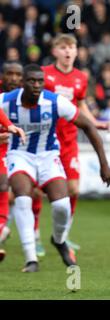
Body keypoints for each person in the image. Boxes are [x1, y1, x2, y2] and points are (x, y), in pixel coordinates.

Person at [0, 64, 110, 272]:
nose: (36, 85)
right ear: (22, 82)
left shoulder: (54, 102)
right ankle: (31, 258)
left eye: (40, 81)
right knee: (23, 199)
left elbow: (87, 125)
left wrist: (104, 164)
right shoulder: (6, 101)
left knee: (62, 205)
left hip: (48, 156)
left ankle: (59, 240)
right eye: (31, 81)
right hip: (19, 155)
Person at [34, 33, 110, 256]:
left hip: (69, 139)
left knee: (74, 188)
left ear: (77, 52)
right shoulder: (44, 74)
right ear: (55, 51)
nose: (68, 51)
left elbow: (80, 104)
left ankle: (63, 235)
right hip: (45, 138)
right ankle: (36, 234)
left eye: (71, 47)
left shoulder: (81, 77)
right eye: (63, 47)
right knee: (37, 191)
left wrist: (94, 123)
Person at [0, 61, 26, 262]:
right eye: (10, 74)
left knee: (7, 188)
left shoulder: (27, 98)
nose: (14, 79)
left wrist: (9, 127)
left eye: (18, 75)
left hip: (15, 151)